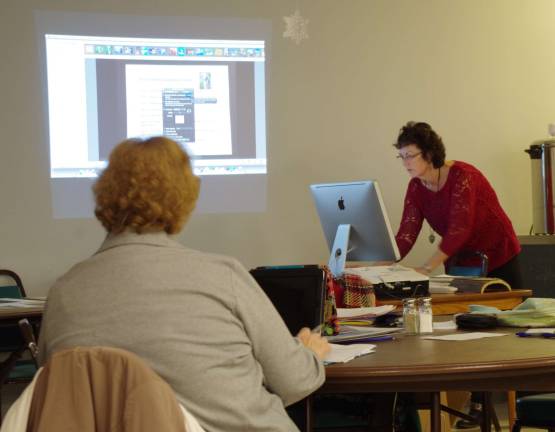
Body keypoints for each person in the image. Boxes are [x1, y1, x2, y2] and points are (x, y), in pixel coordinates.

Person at [38, 136, 330, 432]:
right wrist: (309, 353)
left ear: (103, 194)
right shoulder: (222, 276)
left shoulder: (64, 292)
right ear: (184, 198)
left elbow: (57, 398)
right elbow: (296, 382)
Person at [393, 121, 522, 428]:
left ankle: (485, 402)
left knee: (502, 331)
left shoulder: (464, 176)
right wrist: (376, 262)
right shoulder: (416, 187)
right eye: (401, 157)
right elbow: (406, 234)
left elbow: (459, 230)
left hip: (499, 256)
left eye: (410, 156)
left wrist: (426, 268)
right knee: (463, 327)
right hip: (460, 262)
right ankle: (475, 402)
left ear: (429, 153)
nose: (406, 163)